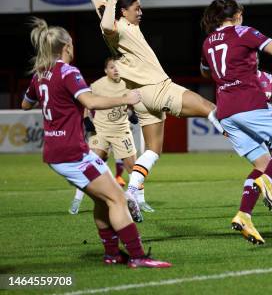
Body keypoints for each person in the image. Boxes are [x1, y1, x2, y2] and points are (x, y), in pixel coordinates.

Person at [69, 0, 218, 222]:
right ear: (124, 11)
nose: (141, 12)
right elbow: (104, 23)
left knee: (153, 150)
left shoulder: (116, 19)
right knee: (211, 109)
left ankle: (134, 190)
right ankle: (251, 147)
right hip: (158, 88)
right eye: (136, 8)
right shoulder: (115, 27)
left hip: (141, 97)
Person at [22, 17, 170, 268]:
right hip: (72, 153)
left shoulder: (40, 74)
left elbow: (26, 104)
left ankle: (112, 254)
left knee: (104, 200)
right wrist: (126, 97)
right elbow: (91, 102)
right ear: (67, 46)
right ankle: (138, 256)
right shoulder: (68, 71)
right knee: (118, 200)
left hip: (56, 151)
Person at [201, 0, 272, 245]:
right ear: (237, 15)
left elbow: (205, 71)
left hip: (225, 111)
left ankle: (244, 215)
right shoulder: (244, 31)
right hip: (249, 102)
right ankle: (267, 183)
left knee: (263, 162)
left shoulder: (207, 41)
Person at [69, 57, 155, 214]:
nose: (115, 70)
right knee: (90, 166)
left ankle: (141, 201)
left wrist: (131, 114)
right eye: (111, 67)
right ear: (105, 70)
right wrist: (86, 119)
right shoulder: (97, 85)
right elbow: (87, 103)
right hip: (100, 131)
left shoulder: (127, 85)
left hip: (122, 131)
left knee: (134, 168)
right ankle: (77, 200)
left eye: (117, 67)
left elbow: (127, 106)